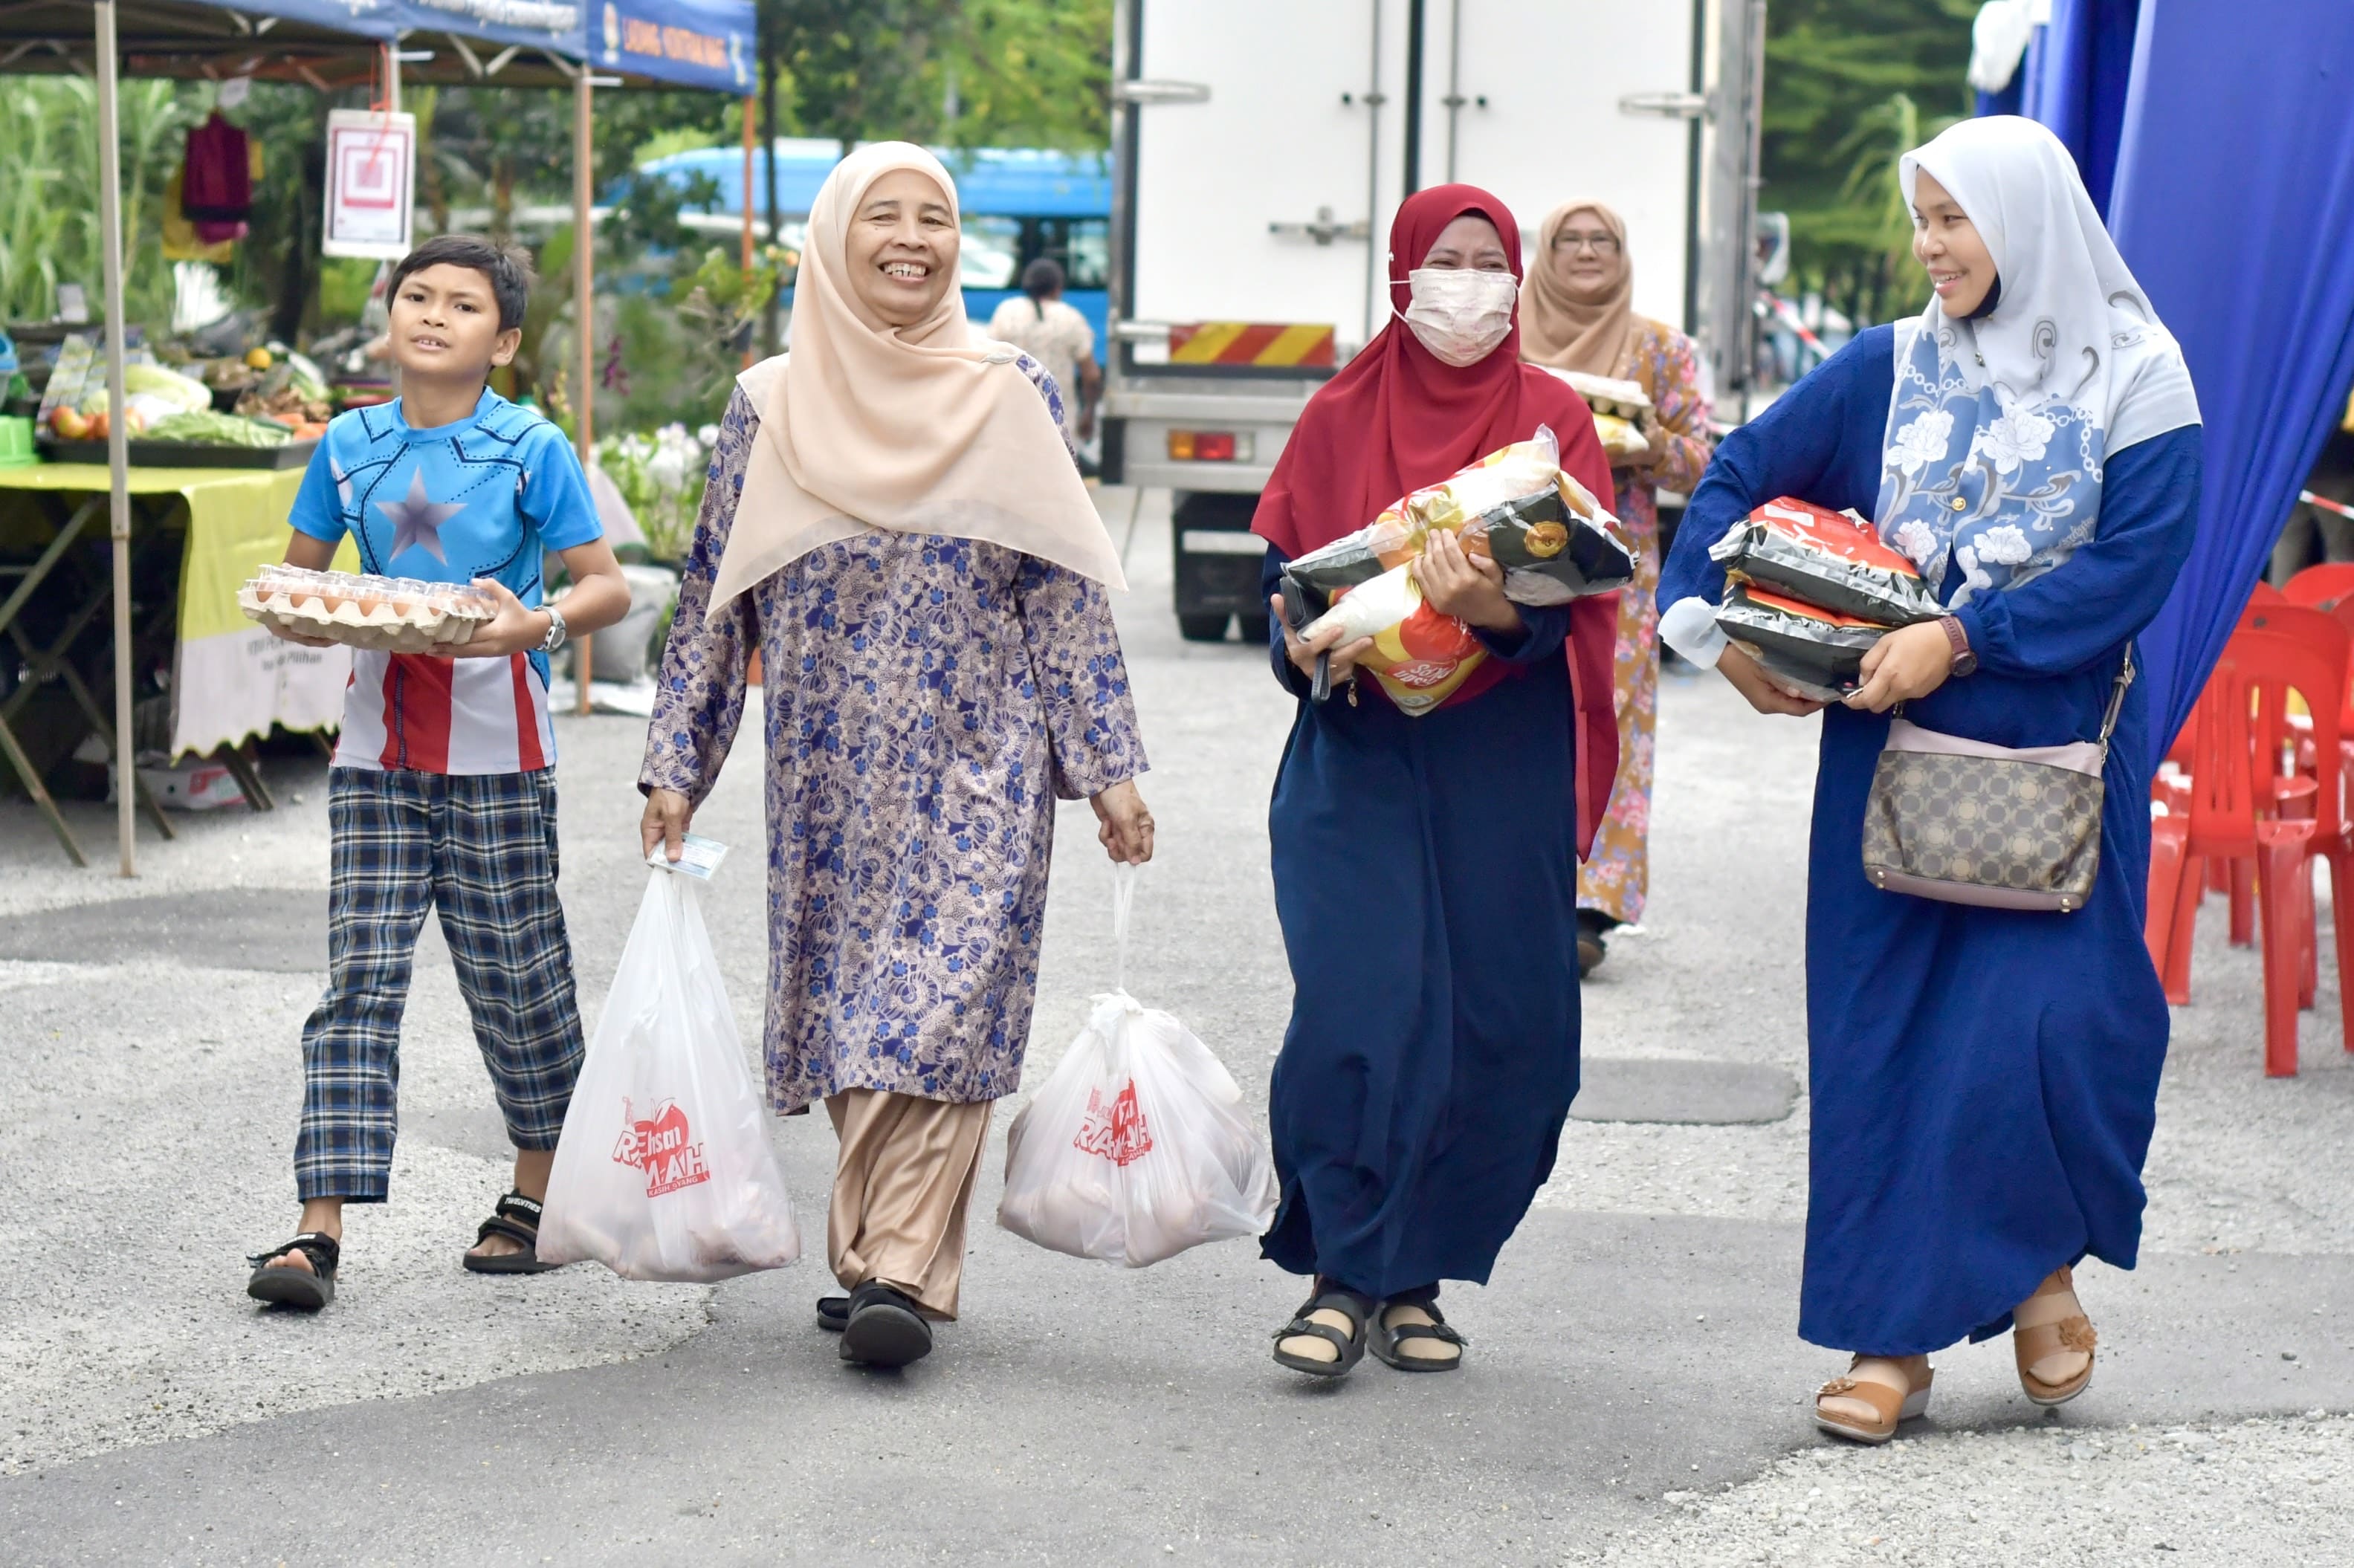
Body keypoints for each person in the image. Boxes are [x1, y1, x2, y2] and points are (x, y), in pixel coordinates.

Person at [1655, 117, 2202, 1443]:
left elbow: (2134, 564)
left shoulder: (2138, 372)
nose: (1930, 246)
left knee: (2047, 1035)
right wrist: (1718, 636)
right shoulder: (1886, 365)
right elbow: (1734, 477)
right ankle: (1884, 1340)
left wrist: (1961, 636)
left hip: (2060, 751)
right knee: (1882, 1041)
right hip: (1884, 755)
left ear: (2024, 217)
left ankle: (2036, 1266)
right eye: (1922, 218)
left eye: (1953, 218)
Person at [638, 143, 1153, 1370]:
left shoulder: (1009, 388)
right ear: (834, 235)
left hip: (987, 756)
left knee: (950, 996)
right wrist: (677, 762)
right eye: (884, 215)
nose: (911, 237)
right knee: (855, 1010)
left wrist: (1110, 766)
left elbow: (1062, 594)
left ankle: (903, 1269)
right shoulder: (768, 402)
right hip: (827, 769)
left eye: (935, 217)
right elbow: (717, 598)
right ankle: (877, 1256)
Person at [1252, 184, 1619, 1377]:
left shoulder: (1550, 416)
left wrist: (1488, 609)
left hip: (1495, 765)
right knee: (1361, 1009)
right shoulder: (1334, 417)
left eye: (1485, 261)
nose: (1465, 284)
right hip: (1355, 755)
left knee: (1495, 1026)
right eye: (1442, 261)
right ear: (1401, 276)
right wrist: (1300, 640)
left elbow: (1574, 610)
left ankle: (1417, 1271)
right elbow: (1284, 597)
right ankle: (1342, 1271)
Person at [245, 234, 633, 1310]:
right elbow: (306, 581)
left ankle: (537, 1194)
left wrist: (534, 623)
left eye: (462, 305)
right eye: (416, 295)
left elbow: (606, 586)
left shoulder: (529, 447)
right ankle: (314, 1230)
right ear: (390, 317)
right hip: (374, 752)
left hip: (500, 753)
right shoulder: (347, 443)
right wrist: (311, 620)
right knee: (357, 983)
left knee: (518, 975)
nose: (431, 315)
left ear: (501, 342)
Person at [1521, 199, 1718, 976]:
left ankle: (1589, 906)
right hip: (1512, 556)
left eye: (1601, 239)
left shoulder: (1659, 350)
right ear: (1544, 252)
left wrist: (1643, 444)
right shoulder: (1505, 344)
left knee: (1609, 718)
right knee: (1518, 714)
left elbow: (1705, 463)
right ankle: (1515, 888)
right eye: (1567, 240)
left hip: (1616, 571)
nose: (1584, 251)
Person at [987, 257, 1101, 447]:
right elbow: (1092, 376)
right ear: (1058, 288)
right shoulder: (1070, 318)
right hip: (1058, 422)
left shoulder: (1006, 312)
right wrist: (1089, 413)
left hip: (1010, 420)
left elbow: (988, 362)